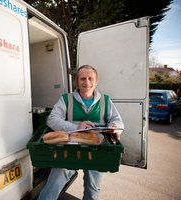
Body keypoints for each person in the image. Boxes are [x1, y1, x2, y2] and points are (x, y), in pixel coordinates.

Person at [38, 65, 124, 200]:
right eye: (82, 78)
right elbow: (52, 119)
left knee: (93, 188)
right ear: (77, 81)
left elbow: (117, 121)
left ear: (96, 81)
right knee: (54, 182)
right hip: (70, 149)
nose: (87, 82)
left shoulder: (105, 100)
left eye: (91, 78)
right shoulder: (66, 99)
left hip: (97, 151)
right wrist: (76, 127)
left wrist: (115, 127)